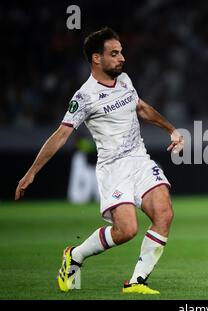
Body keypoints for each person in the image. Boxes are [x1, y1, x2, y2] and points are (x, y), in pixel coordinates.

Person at [15, 27, 184, 295]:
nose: (122, 58)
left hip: (139, 160)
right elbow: (61, 135)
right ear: (97, 58)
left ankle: (137, 281)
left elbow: (141, 108)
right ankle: (75, 256)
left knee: (164, 213)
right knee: (127, 230)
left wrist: (171, 129)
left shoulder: (125, 80)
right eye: (114, 54)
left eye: (121, 52)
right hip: (113, 168)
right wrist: (31, 172)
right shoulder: (85, 96)